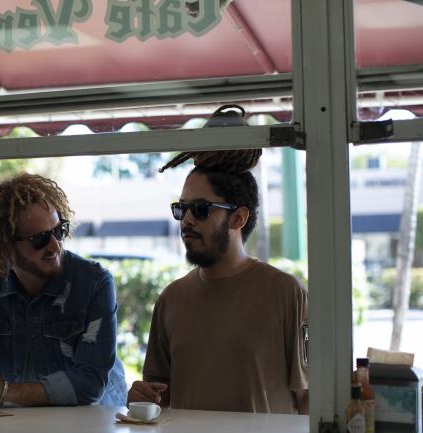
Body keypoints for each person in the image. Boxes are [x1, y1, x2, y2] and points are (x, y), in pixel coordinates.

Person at [127, 106, 309, 414]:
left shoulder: (286, 294)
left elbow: (311, 403)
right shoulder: (171, 299)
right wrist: (140, 395)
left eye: (199, 209)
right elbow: (160, 397)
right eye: (180, 208)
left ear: (238, 217)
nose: (185, 220)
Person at [0, 172, 127, 407]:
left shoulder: (94, 283)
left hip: (93, 422)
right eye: (39, 239)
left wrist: (5, 391)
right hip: (20, 422)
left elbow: (90, 384)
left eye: (59, 231)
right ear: (6, 248)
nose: (55, 245)